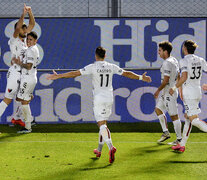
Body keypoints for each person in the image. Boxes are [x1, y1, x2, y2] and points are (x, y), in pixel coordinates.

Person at [46, 46, 152, 163]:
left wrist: (59, 76)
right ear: (105, 56)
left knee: (102, 125)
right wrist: (141, 77)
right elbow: (126, 73)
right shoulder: (111, 66)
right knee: (103, 124)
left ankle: (111, 147)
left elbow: (75, 73)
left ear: (95, 56)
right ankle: (99, 149)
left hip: (99, 99)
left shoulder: (92, 67)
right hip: (109, 97)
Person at [0, 4, 35, 127]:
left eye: (25, 29)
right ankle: (21, 119)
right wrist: (23, 14)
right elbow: (18, 27)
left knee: (28, 97)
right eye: (22, 28)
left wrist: (29, 12)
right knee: (7, 99)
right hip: (14, 72)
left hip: (24, 73)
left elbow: (32, 24)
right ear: (17, 30)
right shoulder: (14, 39)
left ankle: (17, 118)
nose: (25, 30)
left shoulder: (26, 39)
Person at [170, 40, 207, 152]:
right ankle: (182, 144)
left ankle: (181, 144)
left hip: (189, 93)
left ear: (185, 48)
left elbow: (184, 77)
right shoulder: (200, 60)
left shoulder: (184, 61)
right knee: (188, 117)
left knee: (194, 119)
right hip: (197, 91)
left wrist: (175, 87)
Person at [154, 41, 182, 145]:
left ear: (165, 51)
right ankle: (166, 132)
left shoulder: (167, 63)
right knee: (158, 109)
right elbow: (178, 75)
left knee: (174, 115)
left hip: (169, 92)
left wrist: (158, 90)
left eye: (160, 50)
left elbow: (165, 80)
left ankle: (179, 140)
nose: (158, 52)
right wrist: (177, 87)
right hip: (169, 91)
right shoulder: (174, 60)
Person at [13, 31, 39, 133]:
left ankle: (28, 126)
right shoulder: (34, 49)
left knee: (21, 99)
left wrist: (19, 63)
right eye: (27, 39)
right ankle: (29, 121)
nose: (28, 41)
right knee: (24, 99)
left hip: (28, 78)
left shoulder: (30, 50)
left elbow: (29, 66)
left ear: (35, 41)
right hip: (31, 78)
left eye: (31, 40)